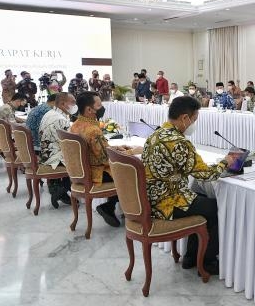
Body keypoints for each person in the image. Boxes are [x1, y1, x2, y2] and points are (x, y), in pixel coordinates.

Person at [142, 96, 234, 275]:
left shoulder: (156, 134)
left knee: (200, 202)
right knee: (215, 207)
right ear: (185, 118)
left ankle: (191, 258)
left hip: (151, 198)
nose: (194, 124)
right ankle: (207, 262)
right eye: (194, 120)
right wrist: (225, 162)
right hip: (168, 203)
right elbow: (205, 175)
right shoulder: (179, 142)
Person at [70, 92, 142, 227]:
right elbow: (106, 159)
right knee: (132, 173)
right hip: (97, 173)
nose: (102, 107)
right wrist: (133, 151)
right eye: (99, 105)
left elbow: (101, 150)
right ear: (89, 109)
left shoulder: (76, 124)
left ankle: (112, 207)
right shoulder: (93, 129)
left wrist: (120, 148)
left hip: (83, 171)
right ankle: (128, 212)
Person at [39, 92, 77, 208]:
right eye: (73, 103)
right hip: (55, 157)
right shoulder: (60, 119)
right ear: (63, 103)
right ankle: (62, 189)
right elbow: (70, 144)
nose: (75, 105)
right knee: (83, 160)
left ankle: (60, 188)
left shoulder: (50, 113)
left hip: (46, 153)